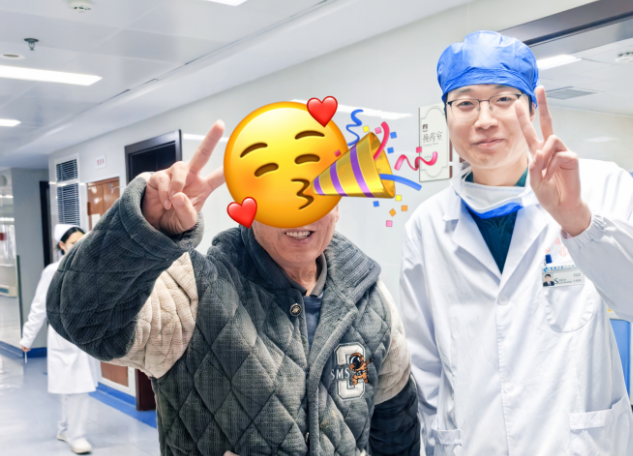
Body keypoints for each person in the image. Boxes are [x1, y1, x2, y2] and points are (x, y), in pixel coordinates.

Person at [46, 122, 420, 456]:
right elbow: (83, 320)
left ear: (337, 204)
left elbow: (395, 425)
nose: (300, 211)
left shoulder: (371, 299)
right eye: (279, 192)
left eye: (316, 192)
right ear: (248, 204)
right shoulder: (193, 292)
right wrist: (143, 231)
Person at [400, 31, 633, 455]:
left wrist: (580, 223)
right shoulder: (427, 225)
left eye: (503, 99)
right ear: (446, 115)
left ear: (532, 108)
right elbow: (423, 362)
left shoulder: (600, 184)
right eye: (465, 103)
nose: (484, 119)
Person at [20, 224, 100, 454]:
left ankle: (65, 429)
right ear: (62, 245)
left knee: (74, 388)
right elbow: (40, 306)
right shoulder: (53, 271)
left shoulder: (92, 269)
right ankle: (77, 436)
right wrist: (27, 338)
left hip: (86, 336)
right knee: (77, 389)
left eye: (83, 242)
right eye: (74, 243)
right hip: (64, 337)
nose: (80, 247)